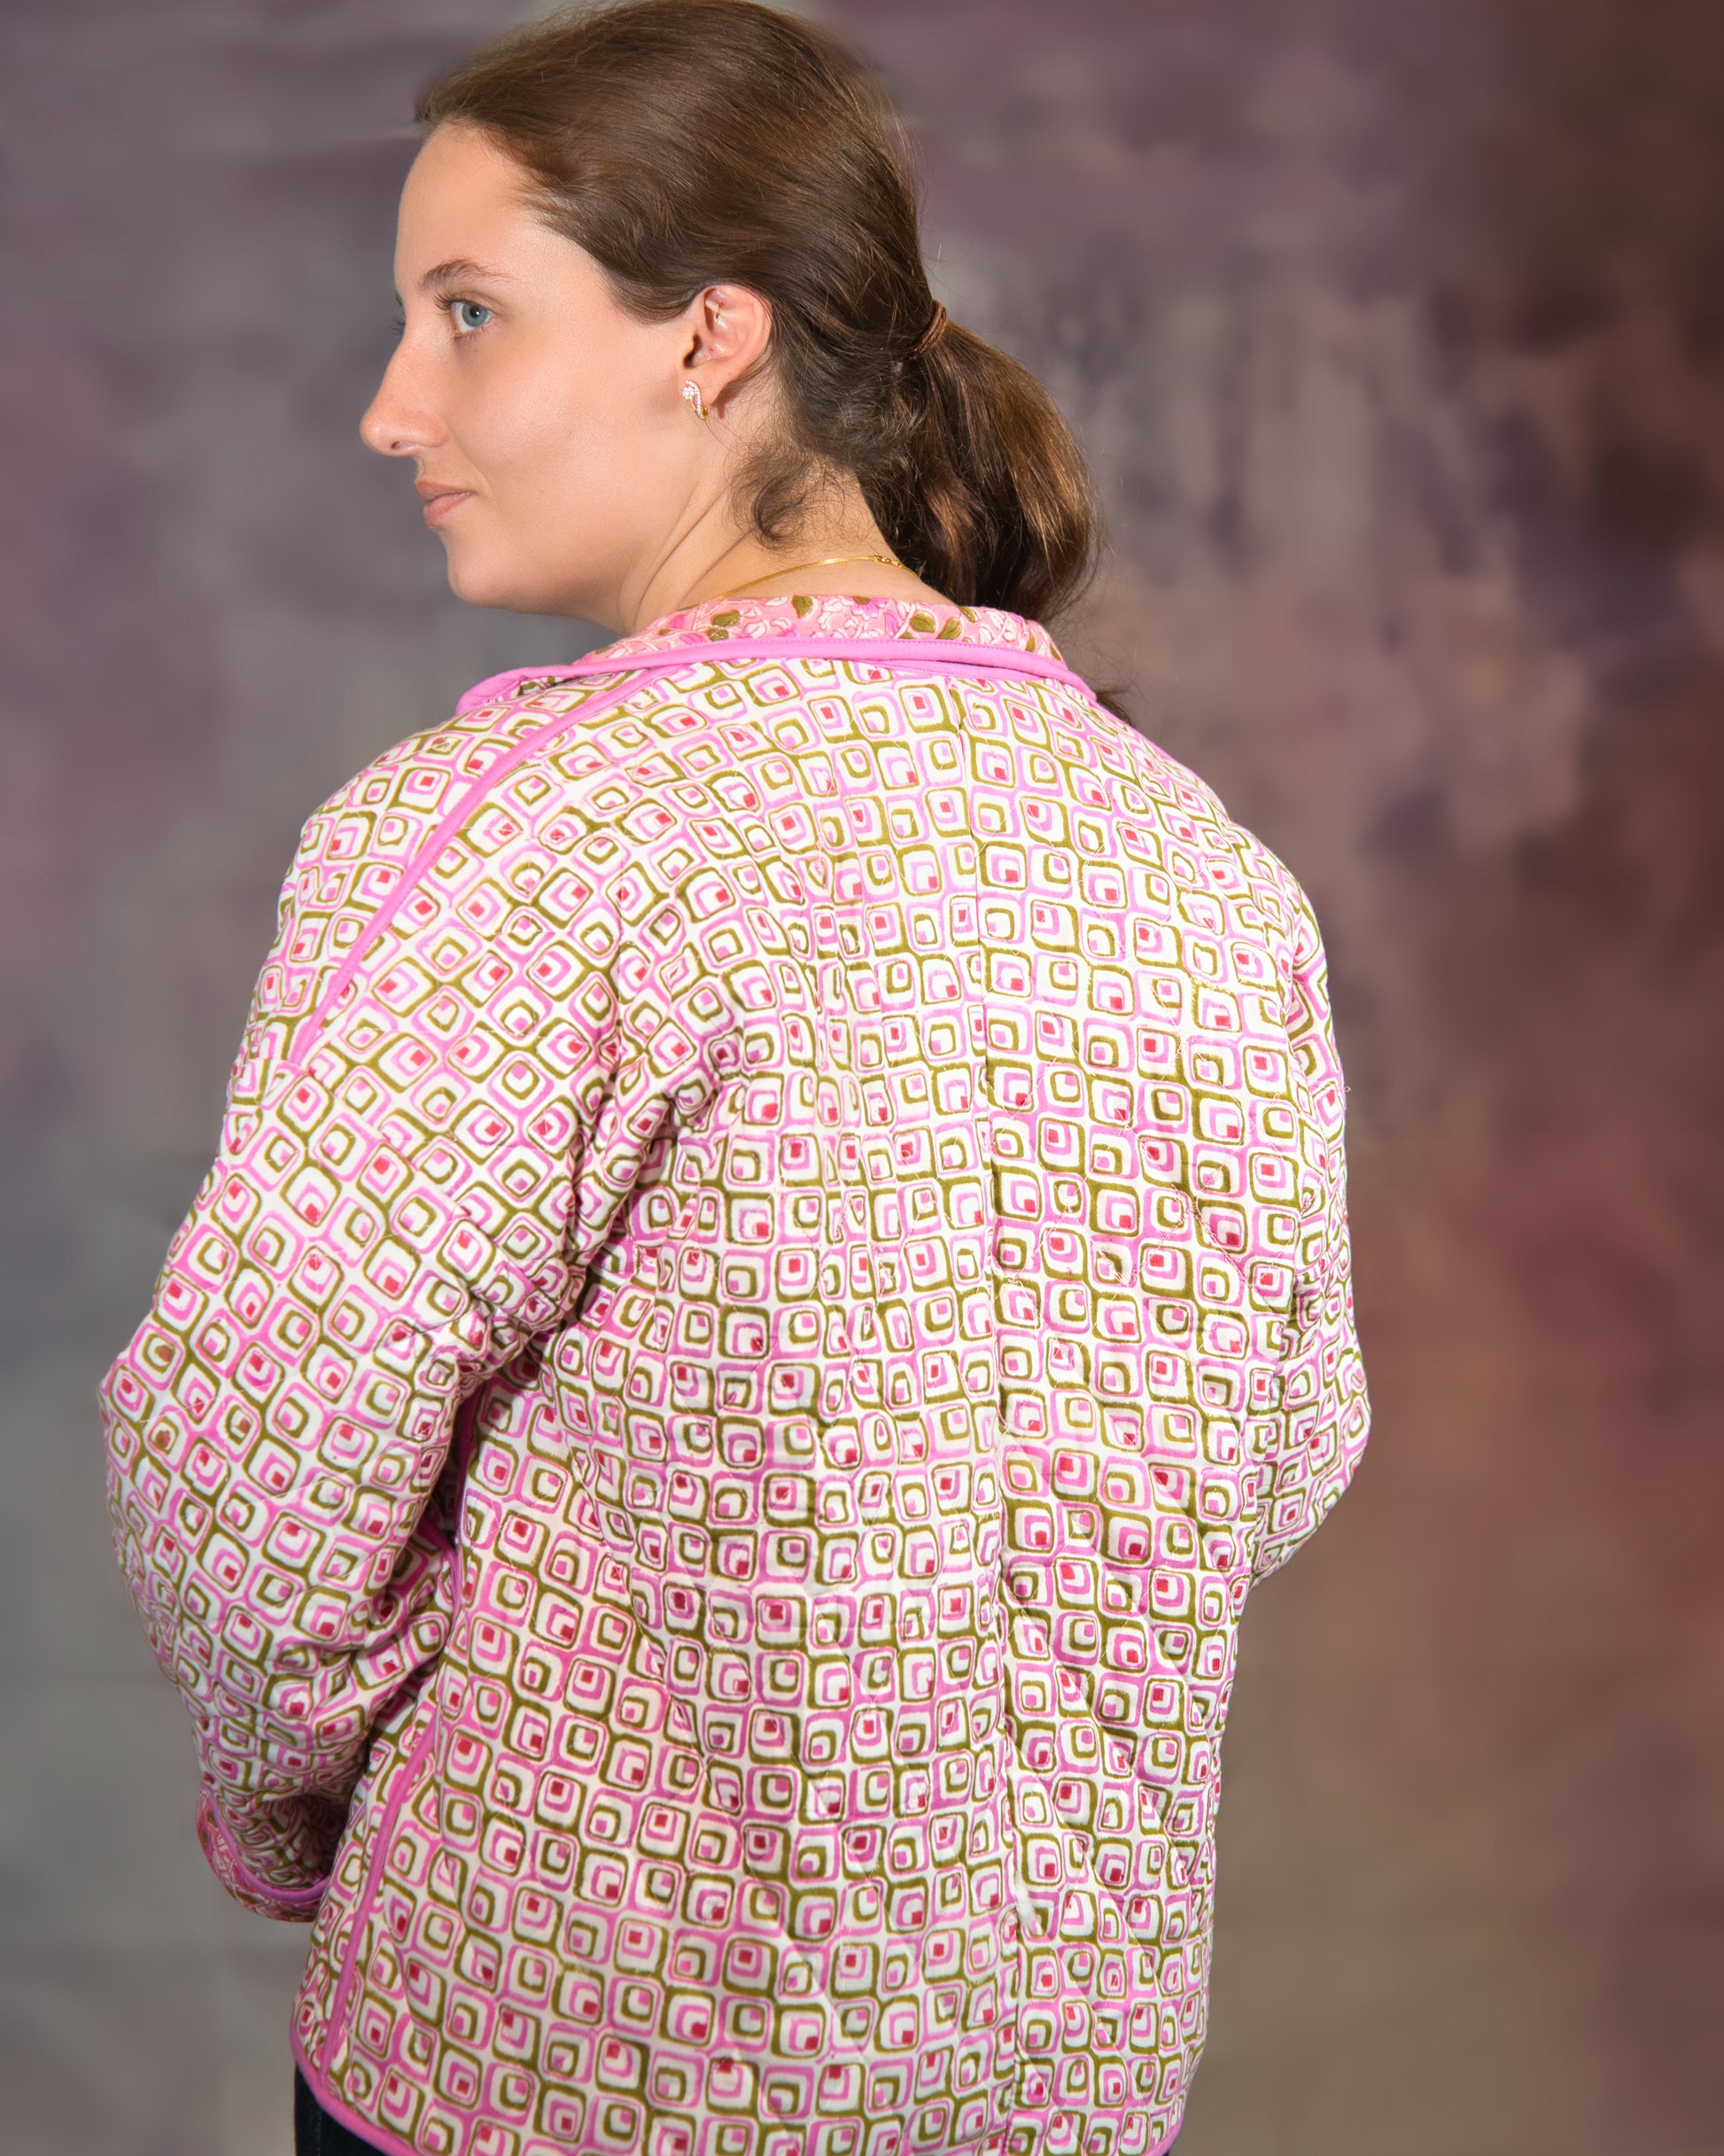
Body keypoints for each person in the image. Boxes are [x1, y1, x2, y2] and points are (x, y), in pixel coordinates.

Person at [98, 4, 1371, 2154]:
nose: (393, 403)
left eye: (468, 312)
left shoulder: (528, 834)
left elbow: (246, 1470)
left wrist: (328, 1793)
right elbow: (1284, 1445)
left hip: (564, 2071)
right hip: (1048, 2073)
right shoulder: (1195, 862)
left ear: (709, 336)